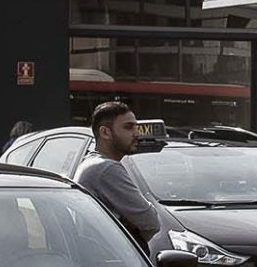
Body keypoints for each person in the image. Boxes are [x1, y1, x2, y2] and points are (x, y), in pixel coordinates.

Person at [73, 101, 183, 250]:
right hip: (110, 260)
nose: (137, 134)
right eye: (128, 127)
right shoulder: (106, 169)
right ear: (105, 132)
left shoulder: (92, 163)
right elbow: (151, 221)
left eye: (136, 127)